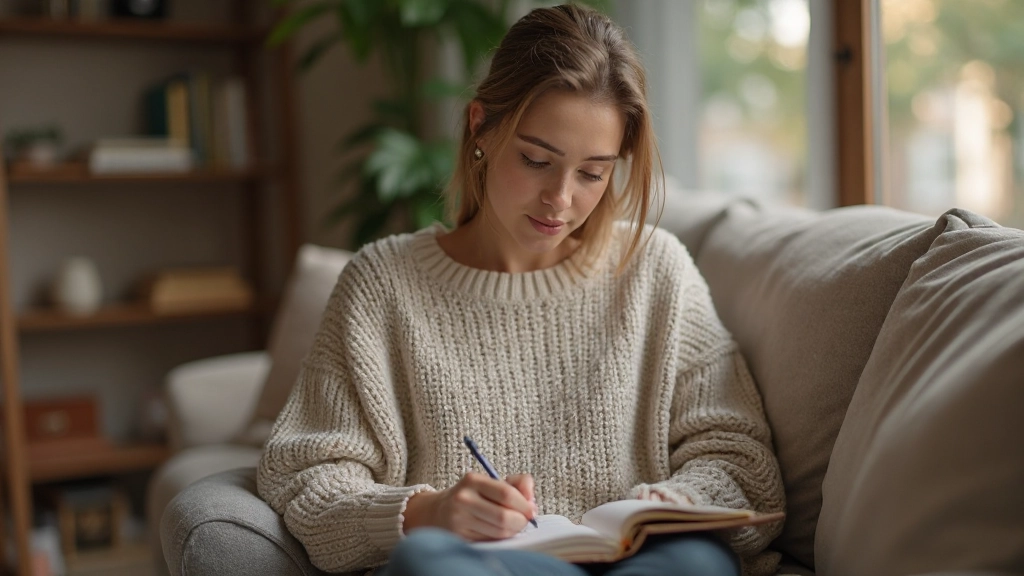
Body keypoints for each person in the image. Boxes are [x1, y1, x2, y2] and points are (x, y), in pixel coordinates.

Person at [256, 4, 785, 576]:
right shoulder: (382, 284)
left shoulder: (656, 270)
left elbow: (739, 459)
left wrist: (679, 501)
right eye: (537, 160)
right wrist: (425, 511)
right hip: (489, 566)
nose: (560, 199)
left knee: (696, 562)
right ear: (480, 125)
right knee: (427, 560)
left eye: (593, 172)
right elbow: (306, 476)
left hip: (641, 563)